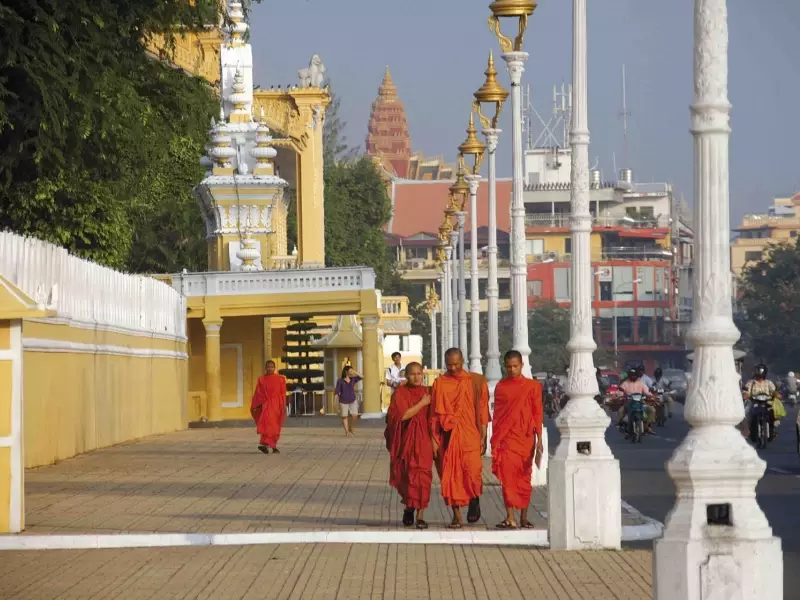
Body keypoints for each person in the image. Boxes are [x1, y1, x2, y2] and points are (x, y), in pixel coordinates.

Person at [430, 348, 490, 529]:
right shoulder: (440, 383)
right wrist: (434, 438)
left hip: (470, 435)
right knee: (449, 476)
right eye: (449, 364)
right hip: (447, 437)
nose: (453, 368)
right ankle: (456, 516)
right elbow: (434, 413)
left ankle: (474, 498)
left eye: (457, 364)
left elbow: (483, 411)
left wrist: (483, 435)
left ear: (463, 360)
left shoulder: (476, 381)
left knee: (472, 472)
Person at [491, 351, 544, 529]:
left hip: (525, 438)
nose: (512, 369)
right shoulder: (501, 387)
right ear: (504, 366)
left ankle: (523, 517)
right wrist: (495, 439)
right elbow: (498, 415)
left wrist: (539, 440)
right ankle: (510, 517)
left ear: (522, 365)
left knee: (524, 478)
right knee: (507, 479)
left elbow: (537, 413)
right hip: (506, 439)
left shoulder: (532, 386)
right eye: (508, 366)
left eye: (515, 366)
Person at [384, 362, 433, 529]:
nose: (417, 377)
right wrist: (422, 404)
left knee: (423, 478)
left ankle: (420, 515)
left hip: (424, 442)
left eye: (420, 373)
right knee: (408, 476)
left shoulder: (428, 392)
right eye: (413, 374)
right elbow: (401, 416)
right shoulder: (400, 394)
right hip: (407, 442)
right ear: (406, 375)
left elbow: (434, 419)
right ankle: (409, 507)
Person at [250, 360, 287, 454]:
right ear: (265, 368)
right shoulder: (261, 379)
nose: (270, 368)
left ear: (275, 368)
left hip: (277, 405)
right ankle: (268, 445)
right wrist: (256, 404)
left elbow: (283, 393)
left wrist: (283, 405)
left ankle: (271, 445)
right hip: (266, 406)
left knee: (276, 426)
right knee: (268, 426)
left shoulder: (280, 379)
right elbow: (258, 393)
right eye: (268, 367)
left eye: (272, 367)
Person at [745, 363, 778, 442]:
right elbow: (746, 391)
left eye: (760, 371)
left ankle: (773, 428)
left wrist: (777, 394)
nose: (759, 373)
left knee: (775, 412)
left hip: (767, 403)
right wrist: (746, 394)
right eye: (757, 371)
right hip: (754, 403)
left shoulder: (769, 383)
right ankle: (747, 430)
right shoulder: (751, 383)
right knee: (747, 412)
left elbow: (774, 391)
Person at [616, 368, 655, 434]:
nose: (633, 376)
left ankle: (647, 426)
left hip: (640, 402)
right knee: (620, 411)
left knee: (652, 410)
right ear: (629, 375)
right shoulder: (625, 383)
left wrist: (652, 396)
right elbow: (620, 392)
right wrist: (620, 395)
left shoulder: (641, 383)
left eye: (634, 375)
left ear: (637, 375)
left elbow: (646, 392)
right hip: (628, 403)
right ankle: (620, 424)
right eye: (632, 375)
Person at [335, 366, 362, 436]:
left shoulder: (353, 379)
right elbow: (337, 391)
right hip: (343, 401)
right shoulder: (340, 380)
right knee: (344, 416)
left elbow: (362, 376)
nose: (352, 371)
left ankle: (351, 427)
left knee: (355, 415)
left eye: (352, 370)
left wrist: (354, 371)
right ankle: (347, 432)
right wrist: (335, 401)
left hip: (352, 400)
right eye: (350, 370)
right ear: (346, 372)